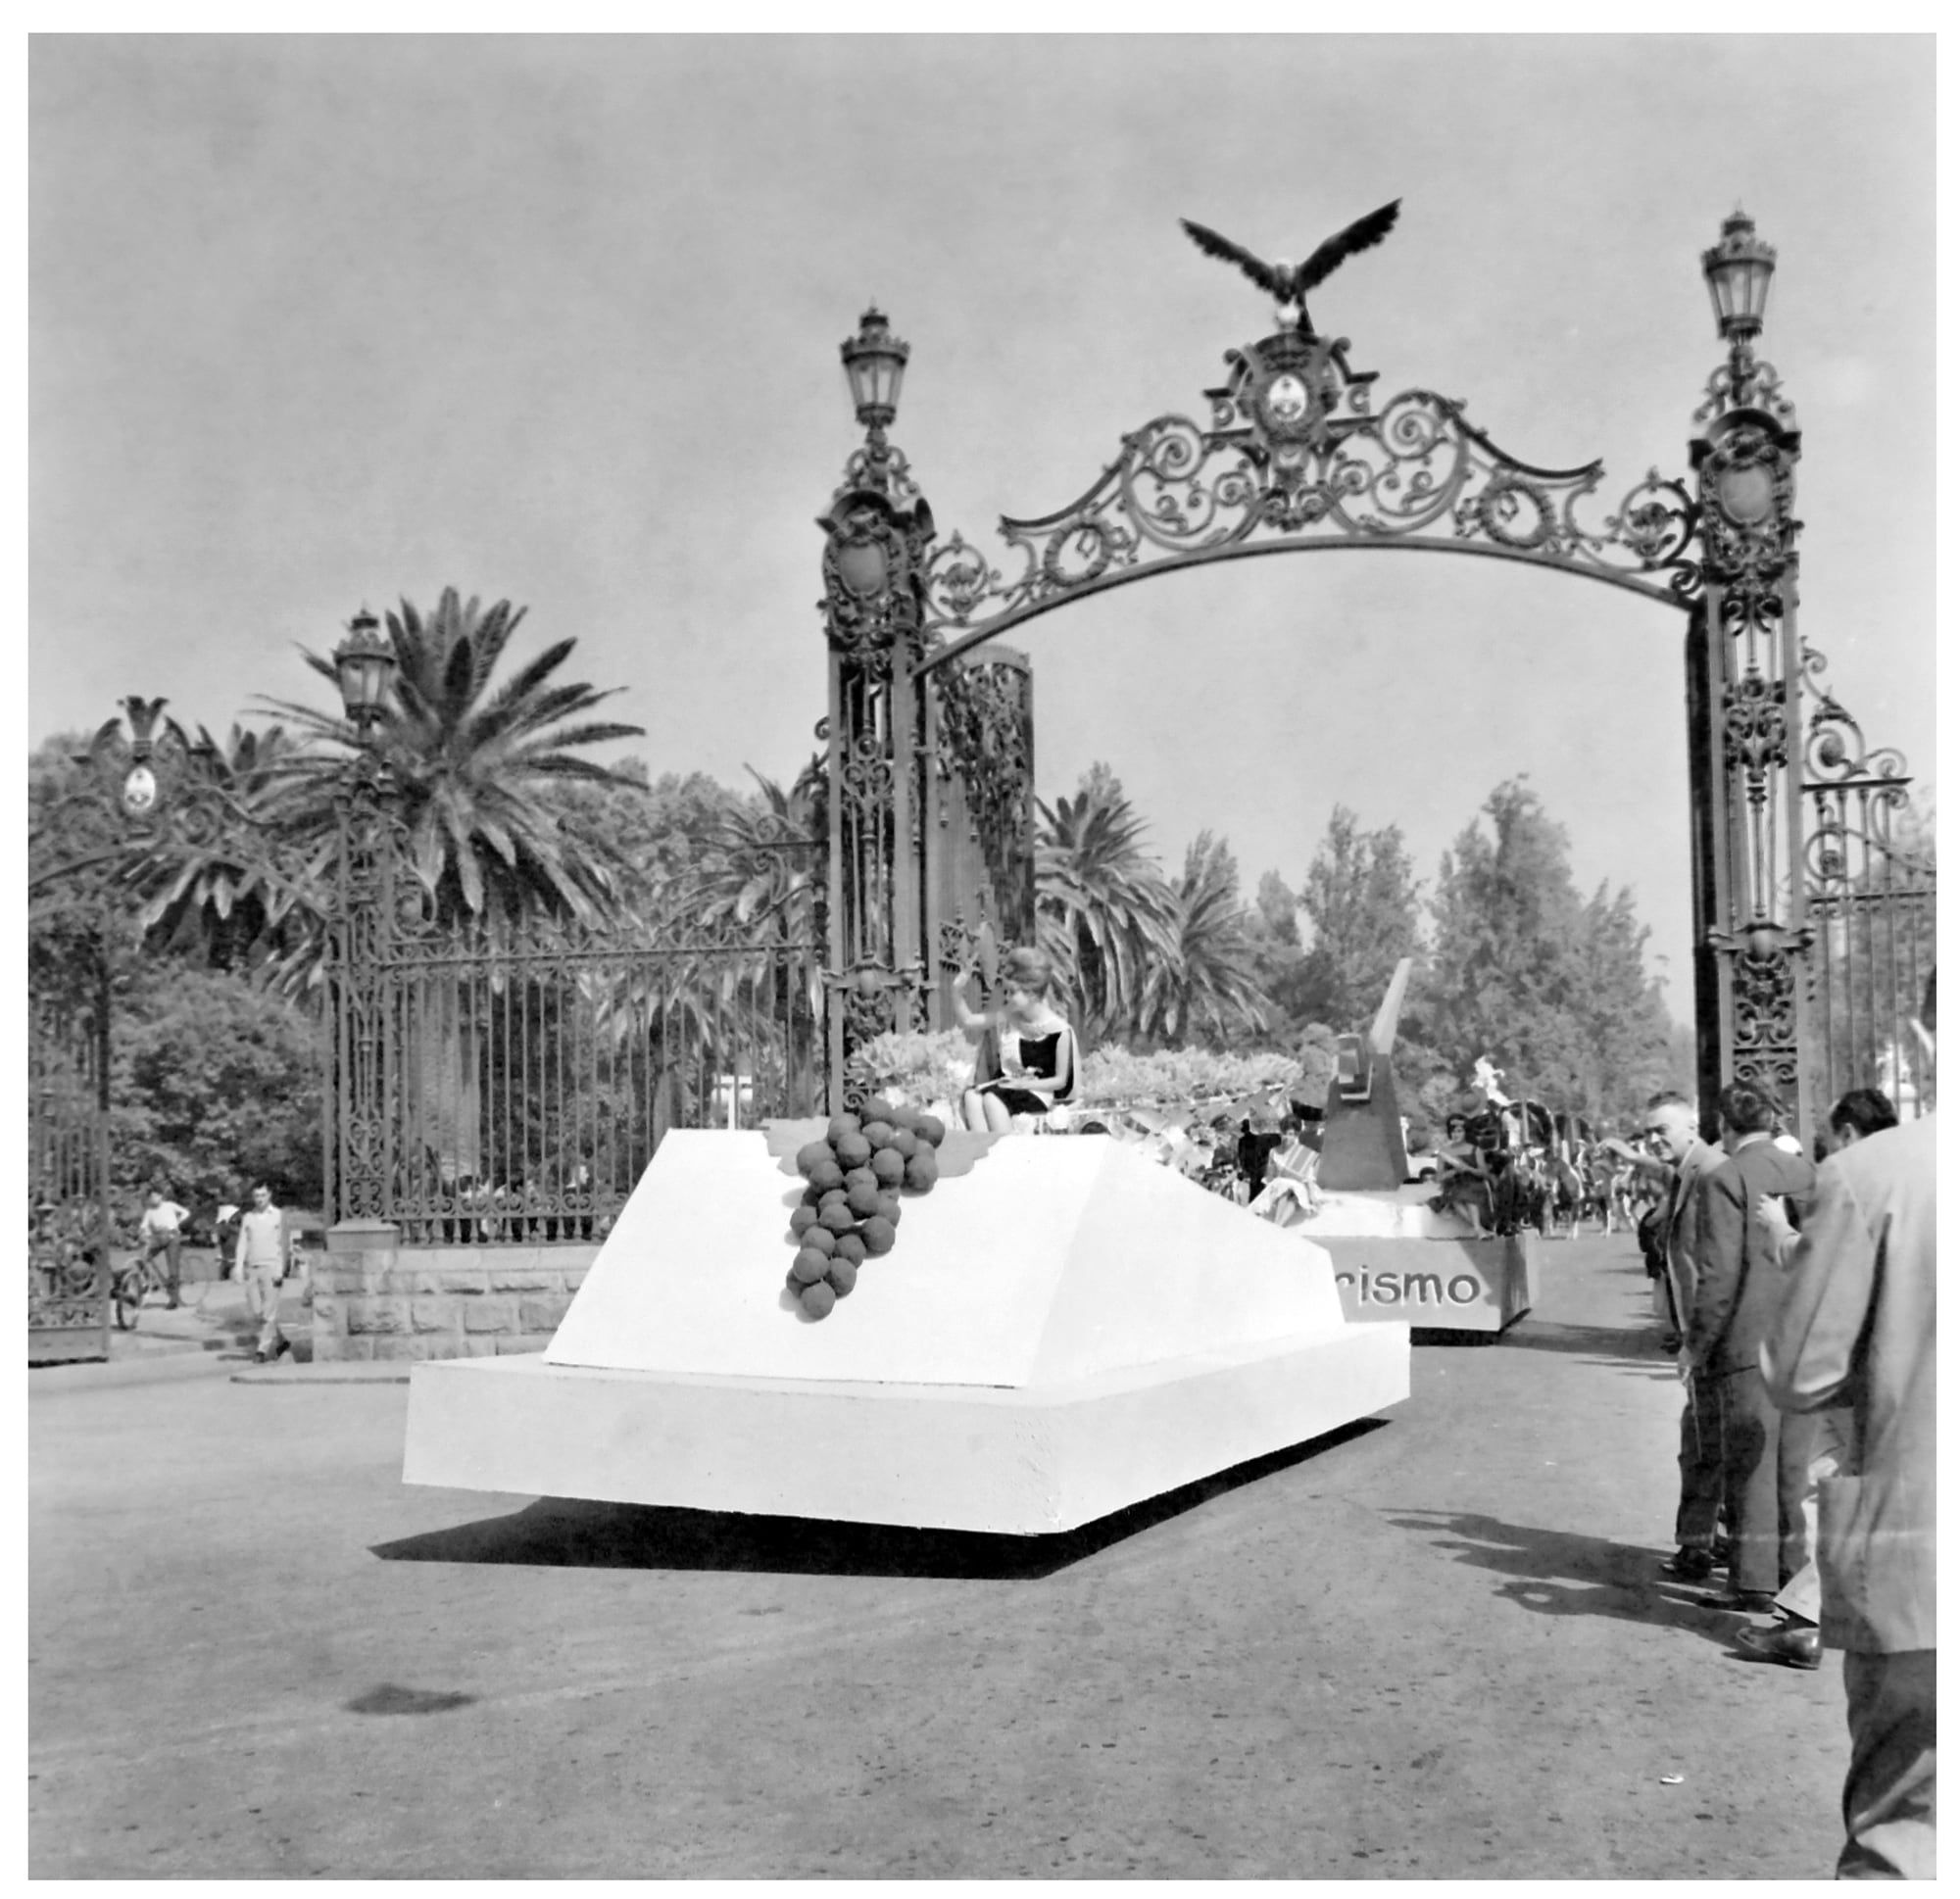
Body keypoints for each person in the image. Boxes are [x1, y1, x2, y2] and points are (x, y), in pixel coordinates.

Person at [1762, 981, 1935, 1879]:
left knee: (1902, 1834)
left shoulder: (1874, 1176)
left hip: (1920, 1569)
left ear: (1920, 1037)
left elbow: (1800, 1374)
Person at [1739, 1088, 1898, 1672]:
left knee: (1830, 1483)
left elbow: (1820, 1266)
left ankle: (1808, 1621)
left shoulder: (1859, 1183)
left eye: (1832, 1141)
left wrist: (1778, 1230)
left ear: (1850, 1134)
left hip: (1861, 1373)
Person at [1686, 1080, 1817, 1611]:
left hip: (1747, 1341)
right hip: (1806, 1339)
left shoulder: (1727, 1177)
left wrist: (1695, 1345)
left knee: (1749, 1468)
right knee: (1791, 1470)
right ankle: (1793, 1580)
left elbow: (1717, 1276)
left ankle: (1753, 1581)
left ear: (1725, 1124)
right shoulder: (1807, 1174)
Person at [1602, 1091, 1729, 1580]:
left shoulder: (1712, 1173)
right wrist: (1636, 1157)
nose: (1654, 1139)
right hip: (1702, 1334)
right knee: (1702, 1443)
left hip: (1711, 1337)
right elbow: (1674, 1174)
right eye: (1649, 1131)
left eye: (1664, 1130)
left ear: (1693, 1127)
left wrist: (1696, 1342)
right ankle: (1707, 1543)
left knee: (1704, 1444)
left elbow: (1717, 1268)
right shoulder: (1694, 1169)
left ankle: (1713, 1549)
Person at [951, 945, 1077, 1133]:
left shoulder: (1059, 1030)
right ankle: (984, 1154)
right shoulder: (1009, 1015)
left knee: (992, 1100)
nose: (1008, 997)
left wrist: (1021, 1084)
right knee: (971, 1097)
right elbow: (969, 1020)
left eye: (1013, 992)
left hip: (1038, 1093)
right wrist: (956, 989)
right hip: (1007, 1088)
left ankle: (1007, 1154)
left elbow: (1060, 1081)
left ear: (1032, 993)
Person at [234, 1182, 290, 1364]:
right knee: (258, 1311)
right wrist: (238, 1266)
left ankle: (262, 1349)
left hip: (271, 1267)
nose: (260, 1199)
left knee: (268, 1312)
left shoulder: (278, 1216)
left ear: (270, 1195)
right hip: (253, 1267)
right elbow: (243, 1242)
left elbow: (283, 1244)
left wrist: (280, 1269)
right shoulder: (248, 1217)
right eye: (257, 1196)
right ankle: (281, 1342)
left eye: (263, 1195)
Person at [136, 1187, 190, 1309]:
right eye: (152, 1197)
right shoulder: (150, 1211)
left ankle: (174, 1299)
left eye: (156, 1196)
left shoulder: (169, 1205)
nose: (154, 1199)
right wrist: (142, 1233)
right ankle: (152, 1281)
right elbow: (144, 1225)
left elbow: (186, 1213)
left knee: (173, 1268)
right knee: (143, 1258)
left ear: (161, 1196)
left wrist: (176, 1223)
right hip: (159, 1238)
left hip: (172, 1236)